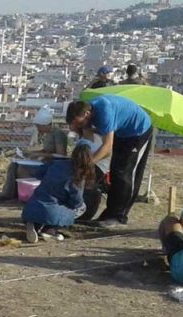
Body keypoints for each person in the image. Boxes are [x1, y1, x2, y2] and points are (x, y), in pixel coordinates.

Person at [66, 96, 154, 226]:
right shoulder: (87, 115)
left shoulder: (104, 112)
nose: (79, 126)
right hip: (121, 132)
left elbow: (107, 149)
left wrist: (88, 164)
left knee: (125, 173)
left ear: (86, 114)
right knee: (114, 171)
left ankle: (119, 216)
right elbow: (88, 138)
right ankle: (109, 213)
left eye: (79, 123)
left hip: (138, 131)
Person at [21, 143, 98, 242]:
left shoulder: (56, 163)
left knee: (45, 209)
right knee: (81, 207)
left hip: (33, 205)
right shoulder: (78, 176)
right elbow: (76, 201)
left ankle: (34, 225)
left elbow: (38, 173)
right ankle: (50, 229)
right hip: (53, 210)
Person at [0, 106, 70, 202]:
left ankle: (20, 194)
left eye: (39, 126)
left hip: (52, 165)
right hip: (45, 161)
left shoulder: (58, 134)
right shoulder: (48, 134)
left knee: (22, 169)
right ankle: (9, 193)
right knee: (14, 166)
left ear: (45, 125)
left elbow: (61, 155)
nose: (37, 129)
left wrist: (41, 155)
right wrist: (33, 153)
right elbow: (47, 150)